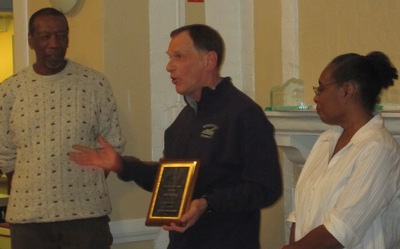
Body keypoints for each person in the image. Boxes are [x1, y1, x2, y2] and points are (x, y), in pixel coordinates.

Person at [69, 24, 282, 249]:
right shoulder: (183, 120)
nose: (170, 66)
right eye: (170, 57)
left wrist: (206, 204)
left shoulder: (243, 113)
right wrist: (122, 165)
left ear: (209, 60)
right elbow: (172, 181)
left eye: (179, 56)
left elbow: (266, 188)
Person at [0, 8, 125, 249]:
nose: (54, 43)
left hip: (86, 221)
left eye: (61, 35)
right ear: (30, 40)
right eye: (45, 36)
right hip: (29, 225)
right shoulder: (9, 91)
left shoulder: (95, 84)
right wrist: (32, 191)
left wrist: (82, 185)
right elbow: (5, 154)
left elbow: (113, 143)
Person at [282, 51, 400, 249]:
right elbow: (299, 215)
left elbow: (341, 230)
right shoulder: (325, 141)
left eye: (321, 89)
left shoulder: (379, 148)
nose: (315, 97)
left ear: (347, 91)